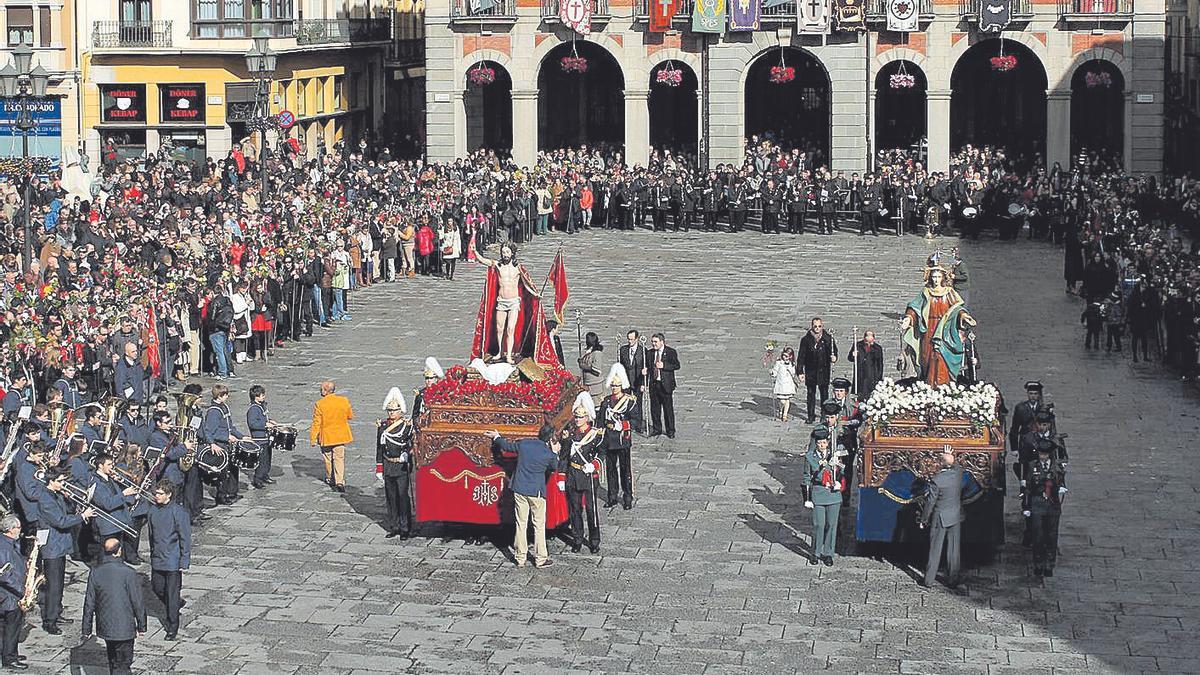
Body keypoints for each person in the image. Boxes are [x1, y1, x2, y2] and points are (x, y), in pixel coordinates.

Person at [486, 425, 559, 568]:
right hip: (536, 492)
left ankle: (520, 557)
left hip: (520, 488)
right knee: (538, 525)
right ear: (550, 439)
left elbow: (507, 446)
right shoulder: (548, 454)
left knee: (521, 523)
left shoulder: (525, 444)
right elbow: (555, 467)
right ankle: (540, 558)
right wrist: (555, 452)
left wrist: (496, 436)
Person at [900, 255, 977, 386]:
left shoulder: (949, 292)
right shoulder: (926, 292)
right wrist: (908, 319)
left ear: (943, 278)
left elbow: (957, 309)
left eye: (938, 277)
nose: (936, 280)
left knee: (941, 355)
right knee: (927, 356)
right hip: (929, 329)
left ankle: (943, 384)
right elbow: (914, 308)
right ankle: (928, 383)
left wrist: (965, 317)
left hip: (945, 330)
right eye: (934, 277)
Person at [39, 468, 95, 635]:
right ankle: (50, 621)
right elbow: (61, 521)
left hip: (60, 546)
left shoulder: (56, 495)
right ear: (51, 481)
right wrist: (82, 516)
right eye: (61, 481)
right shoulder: (45, 499)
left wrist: (70, 500)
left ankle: (57, 612)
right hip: (52, 548)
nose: (64, 484)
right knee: (53, 586)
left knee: (59, 584)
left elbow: (67, 512)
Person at [81, 537, 147, 675]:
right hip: (125, 627)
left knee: (113, 660)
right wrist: (142, 625)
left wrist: (86, 629)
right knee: (123, 664)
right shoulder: (128, 572)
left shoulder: (95, 572)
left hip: (106, 626)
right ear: (119, 551)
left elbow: (89, 603)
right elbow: (137, 602)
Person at [559, 394, 603, 554]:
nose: (577, 420)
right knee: (575, 510)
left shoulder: (595, 435)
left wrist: (594, 465)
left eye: (580, 417)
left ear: (587, 418)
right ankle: (577, 539)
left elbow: (601, 454)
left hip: (588, 476)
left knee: (591, 511)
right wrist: (561, 477)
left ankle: (594, 540)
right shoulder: (569, 435)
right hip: (572, 474)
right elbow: (563, 457)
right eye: (576, 417)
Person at [147, 480, 190, 640]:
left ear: (169, 495)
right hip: (158, 557)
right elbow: (151, 535)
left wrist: (184, 559)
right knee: (157, 588)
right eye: (156, 493)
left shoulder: (178, 512)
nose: (156, 496)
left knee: (171, 594)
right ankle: (175, 604)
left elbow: (185, 537)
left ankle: (172, 626)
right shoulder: (152, 511)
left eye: (159, 494)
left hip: (172, 559)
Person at [919, 448, 964, 588]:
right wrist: (950, 455)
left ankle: (929, 580)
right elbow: (957, 466)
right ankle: (953, 580)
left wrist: (924, 520)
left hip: (940, 518)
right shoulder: (958, 474)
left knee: (935, 549)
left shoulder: (937, 481)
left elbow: (930, 503)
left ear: (940, 463)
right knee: (954, 550)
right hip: (955, 516)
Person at [1024, 439, 1068, 577]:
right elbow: (1028, 488)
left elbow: (1061, 482)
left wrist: (1061, 489)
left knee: (1051, 535)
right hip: (1037, 503)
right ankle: (1038, 563)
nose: (1042, 456)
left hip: (1052, 504)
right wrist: (1026, 505)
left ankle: (1049, 563)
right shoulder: (1032, 466)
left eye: (1045, 454)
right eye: (1040, 454)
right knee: (1038, 535)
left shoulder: (1057, 467)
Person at [375, 388, 414, 539]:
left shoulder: (406, 426)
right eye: (389, 410)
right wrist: (379, 467)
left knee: (403, 497)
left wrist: (407, 454)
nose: (391, 413)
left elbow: (411, 444)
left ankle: (405, 528)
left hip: (401, 465)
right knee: (391, 497)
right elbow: (379, 447)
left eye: (394, 410)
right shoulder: (383, 427)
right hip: (388, 465)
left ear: (400, 411)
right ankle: (394, 526)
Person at [598, 364, 638, 510]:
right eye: (612, 386)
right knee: (611, 471)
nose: (614, 388)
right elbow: (601, 421)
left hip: (622, 439)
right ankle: (612, 496)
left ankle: (627, 497)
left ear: (621, 386)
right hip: (609, 439)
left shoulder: (629, 401)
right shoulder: (606, 401)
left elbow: (635, 420)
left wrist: (622, 426)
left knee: (625, 470)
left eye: (617, 386)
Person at [805, 428, 844, 567]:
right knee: (819, 525)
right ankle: (815, 552)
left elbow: (842, 470)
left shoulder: (834, 454)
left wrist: (839, 480)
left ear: (828, 442)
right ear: (816, 443)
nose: (822, 445)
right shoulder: (810, 456)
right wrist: (807, 498)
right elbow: (806, 477)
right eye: (819, 442)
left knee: (831, 525)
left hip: (833, 494)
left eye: (824, 442)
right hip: (818, 492)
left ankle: (828, 553)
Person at [200, 385, 245, 505]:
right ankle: (222, 496)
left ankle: (232, 492)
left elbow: (230, 427)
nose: (227, 397)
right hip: (221, 446)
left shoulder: (224, 407)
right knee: (224, 472)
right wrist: (226, 437)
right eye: (225, 395)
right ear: (219, 396)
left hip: (228, 445)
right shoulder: (214, 412)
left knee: (233, 469)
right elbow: (210, 431)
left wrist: (241, 436)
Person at [309, 380, 353, 492]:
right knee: (339, 458)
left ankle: (331, 478)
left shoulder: (320, 404)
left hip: (327, 436)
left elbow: (316, 423)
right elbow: (349, 416)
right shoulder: (344, 401)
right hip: (340, 435)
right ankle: (340, 481)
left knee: (328, 458)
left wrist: (313, 438)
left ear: (325, 391)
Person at [797, 317, 837, 424]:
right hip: (811, 371)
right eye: (815, 326)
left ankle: (824, 414)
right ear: (812, 326)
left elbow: (834, 352)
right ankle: (811, 415)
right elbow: (801, 356)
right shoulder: (806, 340)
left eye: (819, 326)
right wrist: (800, 371)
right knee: (811, 394)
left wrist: (834, 358)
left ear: (822, 326)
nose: (817, 328)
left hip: (823, 370)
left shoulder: (828, 338)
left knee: (824, 394)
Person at [0, 515, 26, 670]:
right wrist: (22, 590)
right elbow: (4, 574)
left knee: (11, 626)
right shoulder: (3, 547)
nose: (20, 530)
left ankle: (11, 652)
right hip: (9, 595)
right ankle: (9, 658)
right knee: (12, 627)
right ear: (11, 529)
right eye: (19, 527)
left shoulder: (8, 543)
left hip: (11, 592)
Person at [645, 333, 679, 439]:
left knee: (668, 409)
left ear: (662, 342)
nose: (653, 344)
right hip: (654, 384)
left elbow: (676, 365)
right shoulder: (650, 353)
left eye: (655, 342)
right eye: (652, 342)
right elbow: (648, 366)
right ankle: (657, 429)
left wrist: (664, 366)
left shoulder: (670, 352)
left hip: (665, 385)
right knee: (655, 409)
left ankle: (670, 430)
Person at [246, 385, 276, 490]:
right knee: (261, 460)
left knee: (267, 459)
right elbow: (253, 424)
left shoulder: (262, 406)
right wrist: (265, 424)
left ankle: (265, 475)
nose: (264, 396)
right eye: (262, 395)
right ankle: (258, 479)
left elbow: (264, 417)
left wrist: (270, 421)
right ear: (256, 397)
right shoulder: (253, 409)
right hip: (259, 439)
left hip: (266, 437)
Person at [618, 331, 646, 434]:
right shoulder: (623, 350)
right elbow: (621, 365)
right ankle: (627, 424)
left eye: (632, 339)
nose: (630, 341)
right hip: (626, 381)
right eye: (628, 339)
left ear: (637, 339)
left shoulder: (642, 351)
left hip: (638, 381)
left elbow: (645, 368)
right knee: (625, 403)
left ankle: (638, 425)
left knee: (638, 404)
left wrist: (643, 383)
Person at [848, 330, 884, 397]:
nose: (869, 337)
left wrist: (879, 378)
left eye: (871, 335)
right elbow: (850, 358)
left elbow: (880, 364)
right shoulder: (857, 345)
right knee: (859, 395)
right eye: (867, 335)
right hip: (860, 375)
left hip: (872, 376)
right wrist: (853, 355)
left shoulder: (877, 348)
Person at [768, 346, 799, 422]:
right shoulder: (779, 363)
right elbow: (775, 372)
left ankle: (785, 415)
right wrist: (772, 372)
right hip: (781, 384)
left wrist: (790, 368)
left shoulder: (792, 364)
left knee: (787, 400)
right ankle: (781, 410)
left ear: (790, 356)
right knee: (782, 401)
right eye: (784, 355)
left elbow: (793, 373)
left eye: (787, 356)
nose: (785, 357)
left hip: (788, 384)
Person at [578, 332, 604, 400]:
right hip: (587, 382)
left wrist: (583, 366)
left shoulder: (597, 353)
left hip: (594, 385)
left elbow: (597, 370)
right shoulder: (588, 351)